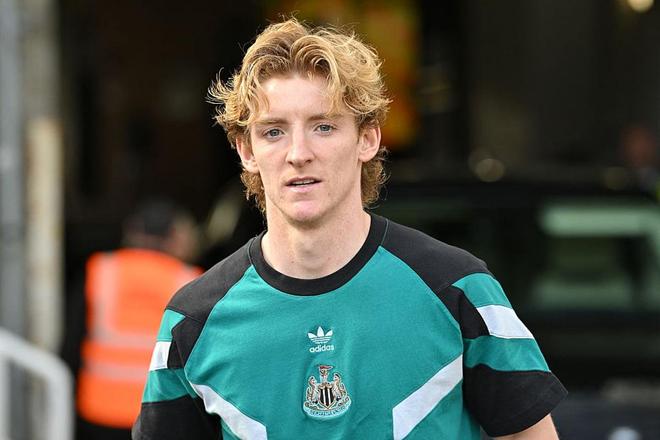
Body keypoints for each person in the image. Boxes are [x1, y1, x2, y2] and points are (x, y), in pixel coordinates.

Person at [133, 18, 567, 439]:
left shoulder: (456, 289)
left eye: (323, 126)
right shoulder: (194, 320)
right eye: (273, 132)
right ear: (247, 151)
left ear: (368, 139)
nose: (298, 153)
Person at [62, 198, 202, 440]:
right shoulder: (190, 280)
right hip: (159, 414)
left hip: (97, 413)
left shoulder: (100, 270)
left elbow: (71, 345)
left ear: (132, 231)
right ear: (174, 237)